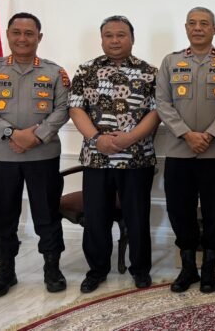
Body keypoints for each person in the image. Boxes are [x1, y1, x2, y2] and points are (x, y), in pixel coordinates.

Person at [0, 12, 70, 297]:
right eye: (17, 32)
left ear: (39, 37)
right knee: (4, 216)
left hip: (43, 156)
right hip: (3, 156)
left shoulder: (54, 72)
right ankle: (5, 272)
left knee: (47, 214)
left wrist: (35, 137)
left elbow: (63, 109)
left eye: (29, 33)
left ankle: (52, 268)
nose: (22, 38)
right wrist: (12, 134)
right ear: (7, 35)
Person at [68, 15, 160, 293]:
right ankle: (96, 270)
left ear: (132, 38)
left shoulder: (150, 72)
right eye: (109, 35)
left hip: (137, 158)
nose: (115, 40)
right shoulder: (86, 70)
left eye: (121, 35)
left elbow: (156, 112)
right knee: (96, 219)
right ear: (102, 39)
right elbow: (76, 109)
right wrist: (97, 139)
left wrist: (130, 138)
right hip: (97, 158)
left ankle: (140, 270)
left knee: (137, 218)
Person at [156, 7, 215, 293]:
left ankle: (209, 270)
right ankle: (189, 268)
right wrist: (186, 134)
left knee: (214, 212)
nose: (198, 28)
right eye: (192, 23)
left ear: (214, 29)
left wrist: (210, 135)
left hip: (214, 152)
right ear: (186, 28)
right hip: (179, 151)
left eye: (204, 24)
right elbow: (163, 103)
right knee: (180, 211)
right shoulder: (171, 62)